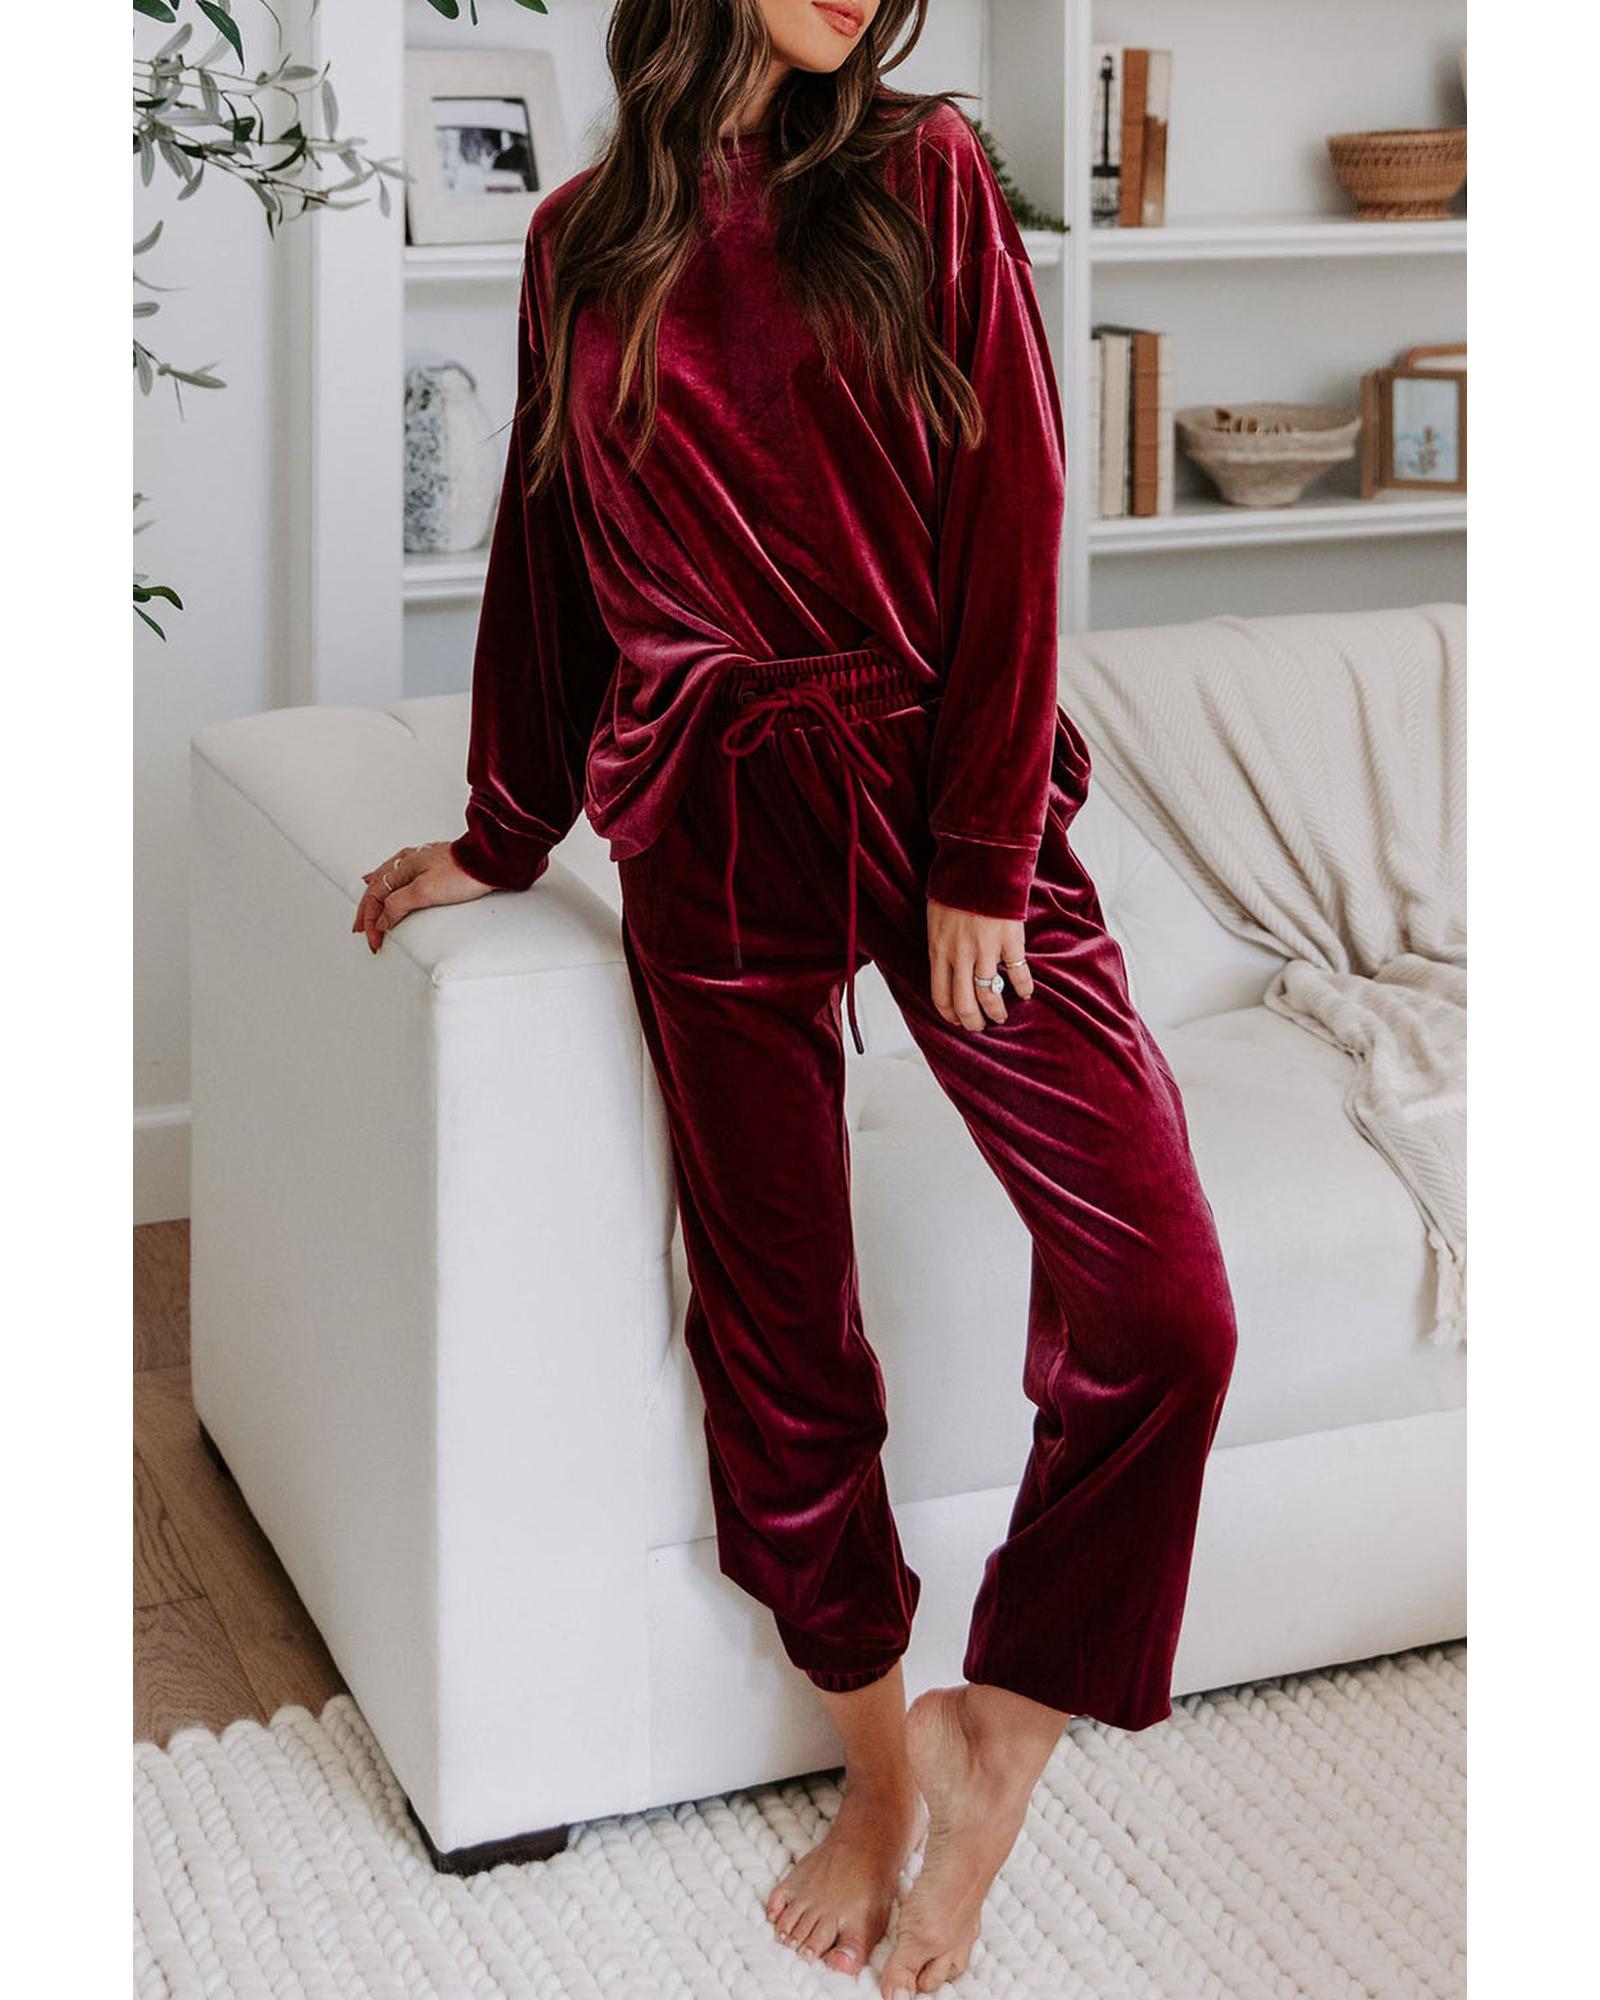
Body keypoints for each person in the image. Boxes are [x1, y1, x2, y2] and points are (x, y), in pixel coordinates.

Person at [353, 2, 1239, 1992]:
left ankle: (997, 1731)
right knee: (779, 1345)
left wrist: (980, 848)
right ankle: (874, 1775)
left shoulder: (926, 176)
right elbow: (547, 554)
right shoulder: (580, 238)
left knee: (1165, 1307)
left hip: (937, 798)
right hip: (710, 820)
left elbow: (1014, 512)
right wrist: (503, 831)